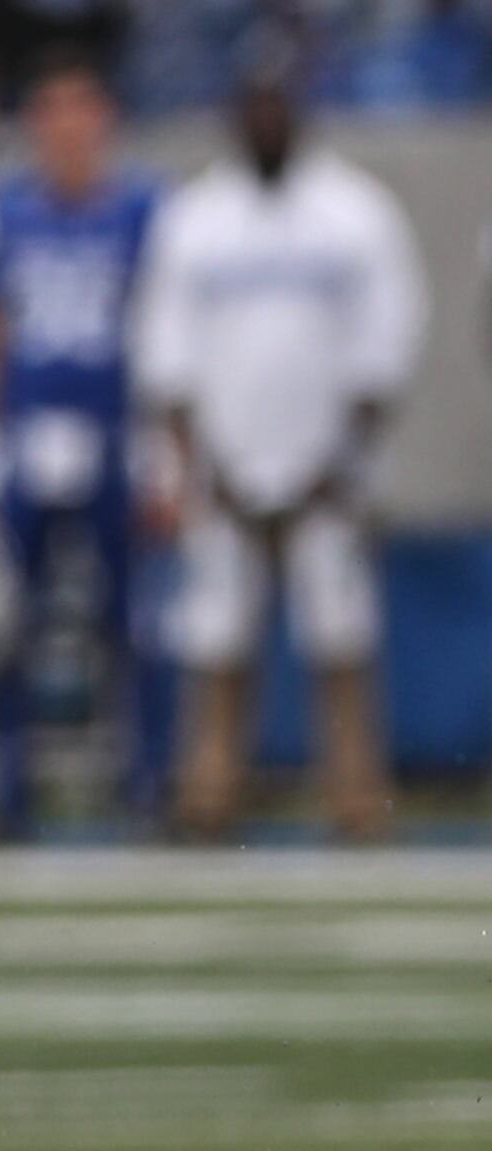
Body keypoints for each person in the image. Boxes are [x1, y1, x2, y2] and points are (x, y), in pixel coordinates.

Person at [133, 47, 427, 842]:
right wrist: (199, 462)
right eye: (253, 105)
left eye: (277, 104)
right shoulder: (196, 217)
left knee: (341, 635)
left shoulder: (354, 212)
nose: (266, 119)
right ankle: (210, 797)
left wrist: (339, 461)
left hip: (328, 471)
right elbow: (168, 357)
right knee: (216, 638)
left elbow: (386, 345)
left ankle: (357, 800)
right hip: (225, 468)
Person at [0, 54, 159, 832]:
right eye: (52, 111)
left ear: (105, 121)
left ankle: (145, 782)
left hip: (114, 434)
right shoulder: (3, 212)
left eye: (80, 109)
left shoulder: (143, 210)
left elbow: (166, 337)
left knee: (130, 622)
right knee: (4, 625)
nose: (67, 129)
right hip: (24, 437)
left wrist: (165, 452)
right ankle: (8, 791)